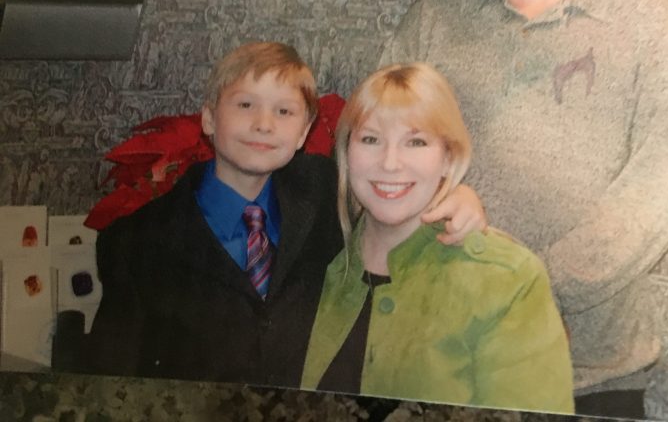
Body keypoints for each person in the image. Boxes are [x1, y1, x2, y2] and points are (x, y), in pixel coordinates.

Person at [381, 0, 668, 417]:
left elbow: (664, 185)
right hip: (445, 355)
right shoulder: (432, 20)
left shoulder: (645, 18)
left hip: (590, 367)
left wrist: (538, 283)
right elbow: (377, 159)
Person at [85, 42, 485, 386]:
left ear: (304, 131)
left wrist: (456, 197)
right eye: (245, 105)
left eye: (284, 112)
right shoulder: (138, 242)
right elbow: (110, 384)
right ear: (208, 118)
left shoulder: (325, 193)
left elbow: (394, 199)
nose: (263, 125)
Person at [301, 63, 574, 414]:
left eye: (415, 141)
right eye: (371, 139)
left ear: (448, 157)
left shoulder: (506, 281)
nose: (390, 163)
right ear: (346, 155)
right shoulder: (311, 261)